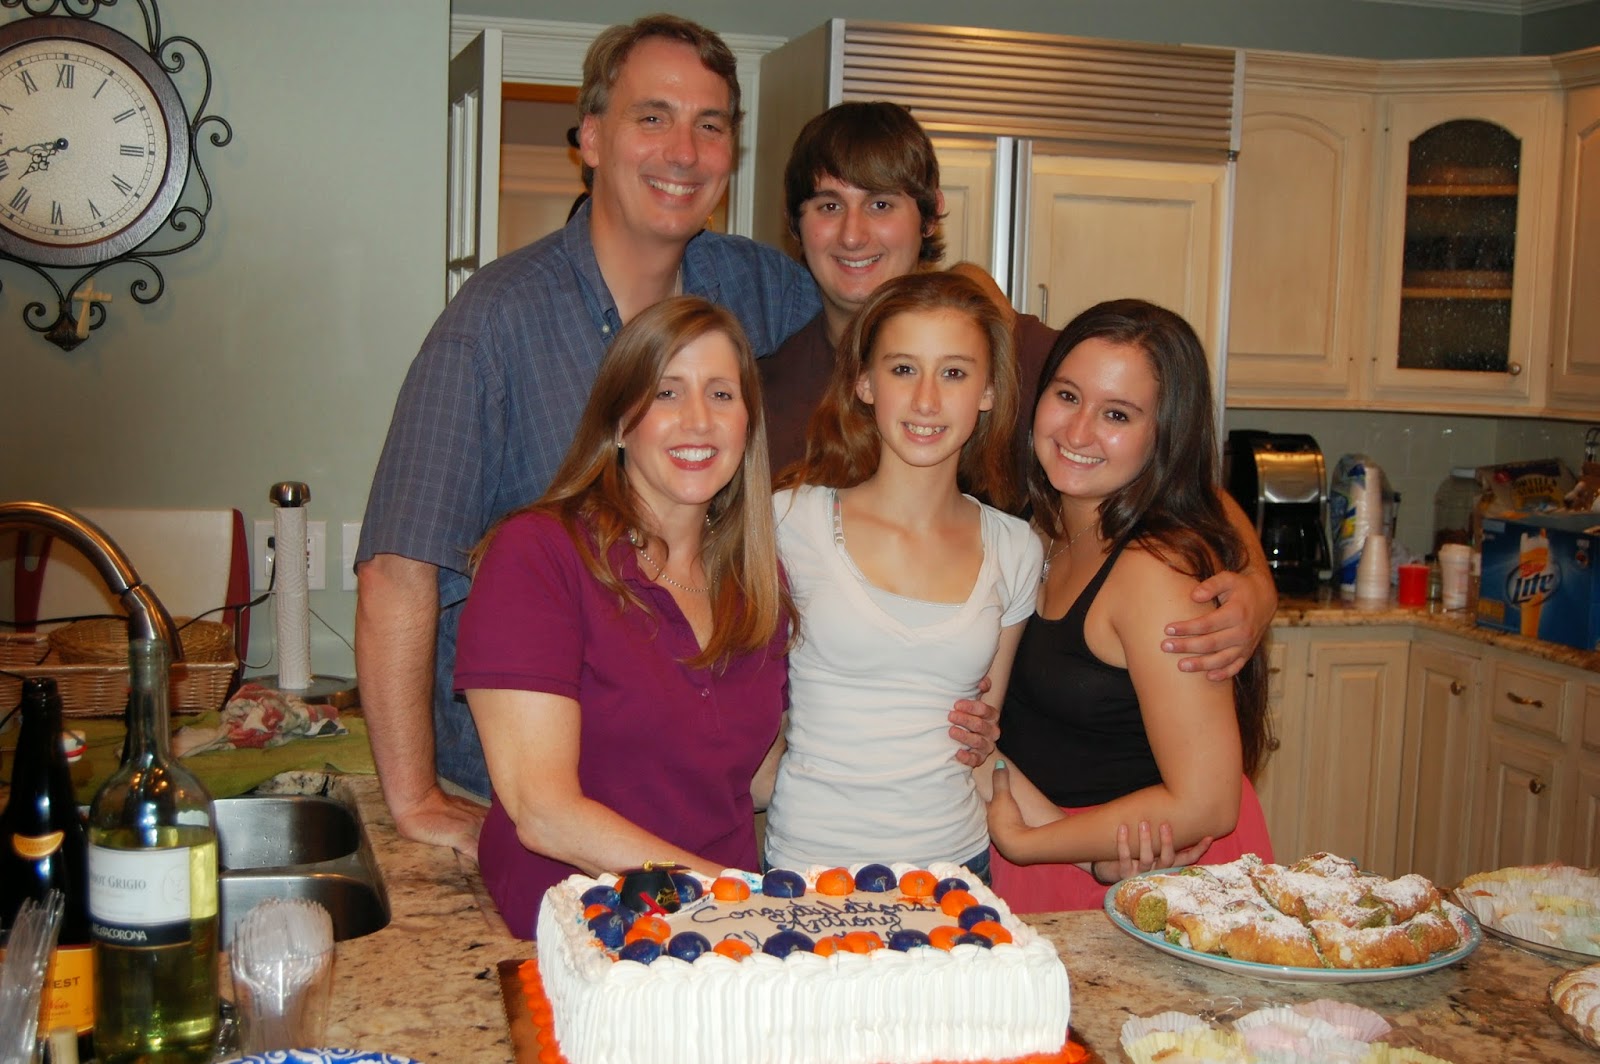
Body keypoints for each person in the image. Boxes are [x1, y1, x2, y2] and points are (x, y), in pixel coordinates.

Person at [355, 15, 825, 856]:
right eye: (653, 117)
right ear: (593, 138)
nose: (684, 152)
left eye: (710, 125)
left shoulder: (753, 285)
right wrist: (415, 797)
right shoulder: (495, 323)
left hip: (694, 806)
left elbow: (883, 326)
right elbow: (398, 569)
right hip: (531, 805)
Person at [762, 100, 1276, 684]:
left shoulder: (1020, 354)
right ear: (796, 225)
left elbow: (1170, 476)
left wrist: (1257, 584)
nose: (853, 234)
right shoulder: (768, 391)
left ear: (929, 216)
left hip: (995, 707)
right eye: (829, 206)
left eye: (881, 204)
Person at [455, 297, 793, 937]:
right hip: (582, 936)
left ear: (748, 424)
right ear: (617, 423)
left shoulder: (757, 580)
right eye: (667, 392)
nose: (699, 419)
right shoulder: (539, 555)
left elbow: (759, 777)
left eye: (722, 394)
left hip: (724, 944)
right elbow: (544, 813)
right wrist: (721, 898)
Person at [985, 298, 1276, 913]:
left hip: (1155, 882)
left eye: (1116, 413)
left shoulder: (1155, 572)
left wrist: (1028, 842)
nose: (1078, 432)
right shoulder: (1035, 528)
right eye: (1067, 396)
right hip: (1063, 853)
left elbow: (1206, 803)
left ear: (1164, 435)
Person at [763, 271, 1034, 878]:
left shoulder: (1016, 548)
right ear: (864, 382)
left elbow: (977, 734)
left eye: (955, 373)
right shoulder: (788, 520)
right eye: (904, 369)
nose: (927, 401)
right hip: (810, 870)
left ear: (988, 391)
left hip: (956, 869)